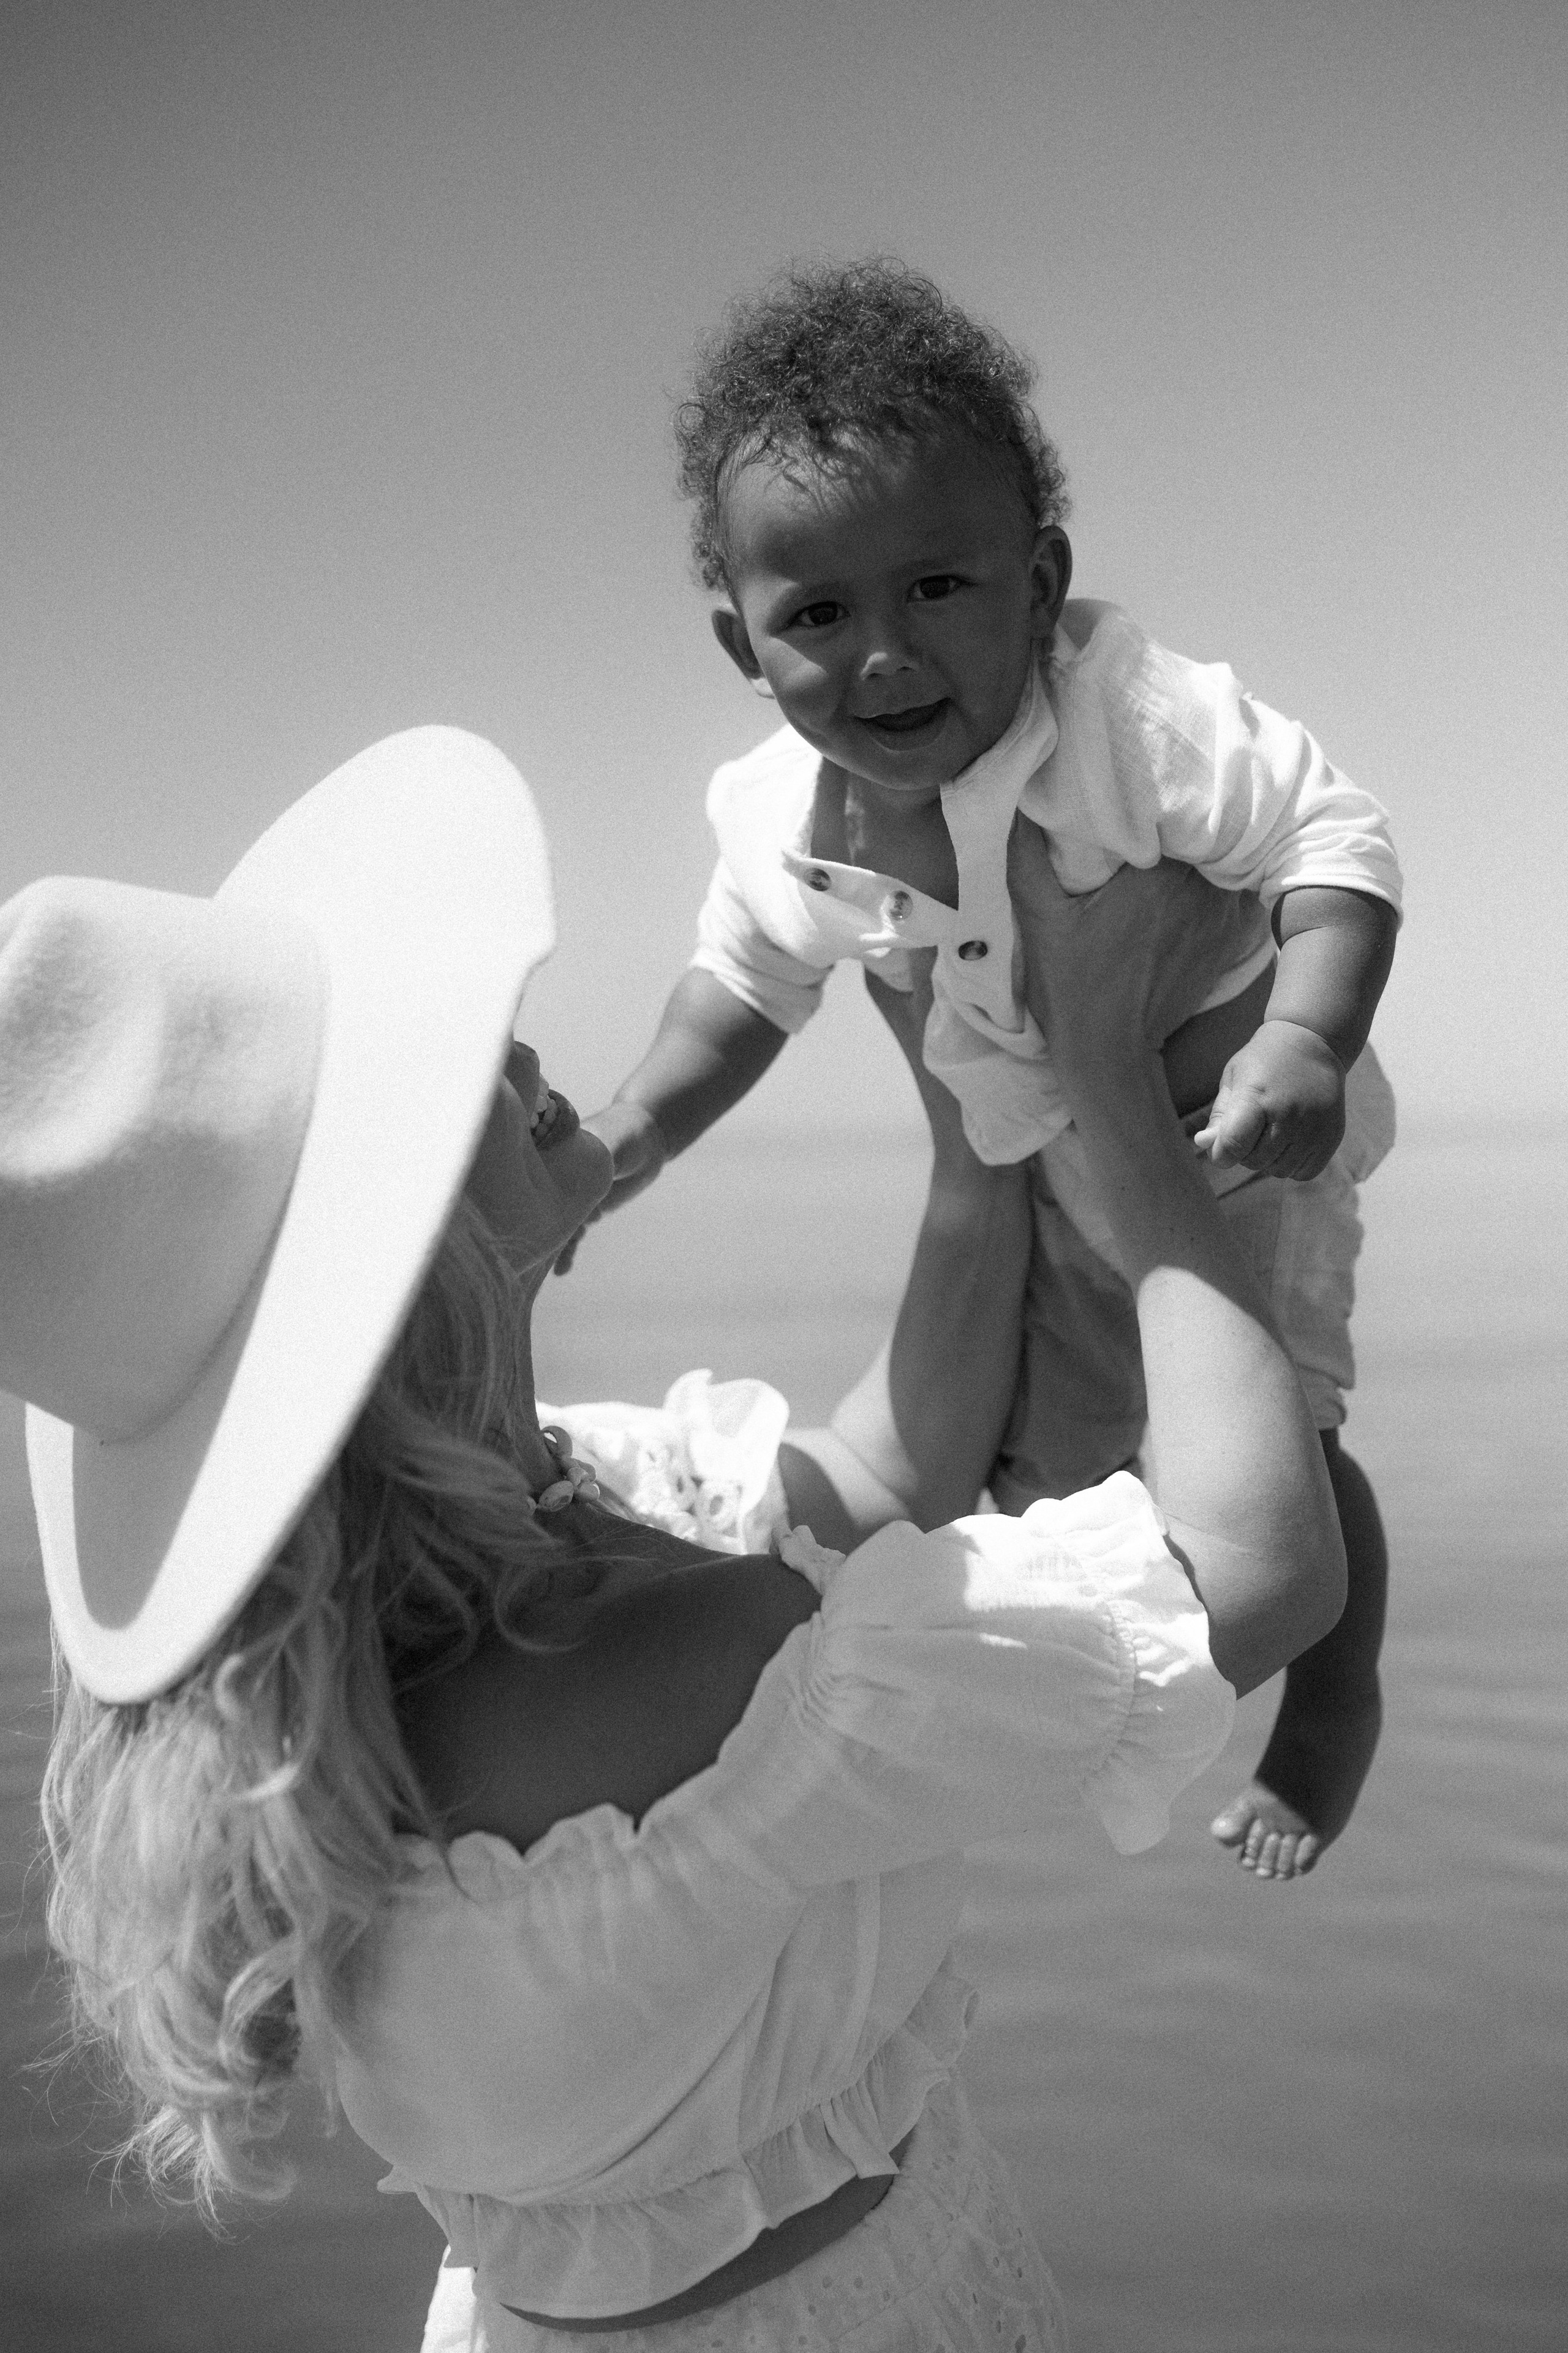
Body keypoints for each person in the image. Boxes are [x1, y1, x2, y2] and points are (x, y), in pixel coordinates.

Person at [12, 728, 1344, 2352]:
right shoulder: (682, 1664)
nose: (514, 1063)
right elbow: (1257, 1569)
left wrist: (964, 1070)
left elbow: (879, 1464)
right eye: (440, 1080)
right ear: (401, 1260)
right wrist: (1121, 1088)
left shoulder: (451, 1588)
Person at [570, 259, 1400, 1884]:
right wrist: (630, 1132)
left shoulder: (1131, 718)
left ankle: (1338, 1694)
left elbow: (1334, 840)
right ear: (743, 645)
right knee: (1074, 1475)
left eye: (939, 587)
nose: (883, 656)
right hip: (1051, 1159)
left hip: (1240, 1138)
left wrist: (1309, 1029)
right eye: (817, 614)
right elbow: (738, 990)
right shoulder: (773, 822)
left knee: (1278, 1435)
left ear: (1042, 577)